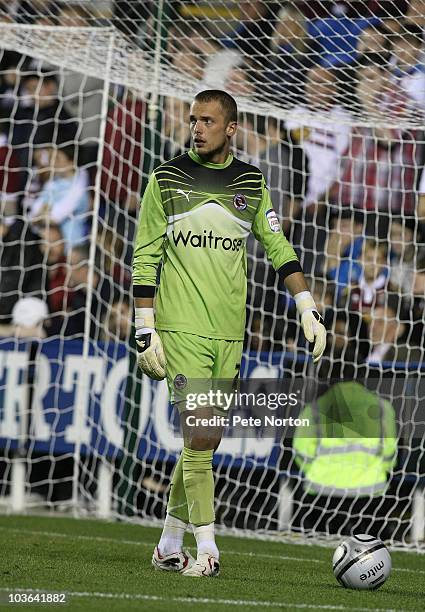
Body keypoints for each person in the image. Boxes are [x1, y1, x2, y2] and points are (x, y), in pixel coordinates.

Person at [132, 90, 326, 576]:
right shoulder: (166, 179)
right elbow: (145, 257)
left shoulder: (252, 183)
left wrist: (306, 305)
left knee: (204, 442)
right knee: (200, 433)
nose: (197, 128)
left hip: (228, 333)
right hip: (179, 329)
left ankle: (168, 543)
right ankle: (209, 550)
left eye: (208, 121)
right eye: (193, 119)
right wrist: (144, 328)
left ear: (231, 128)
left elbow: (278, 246)